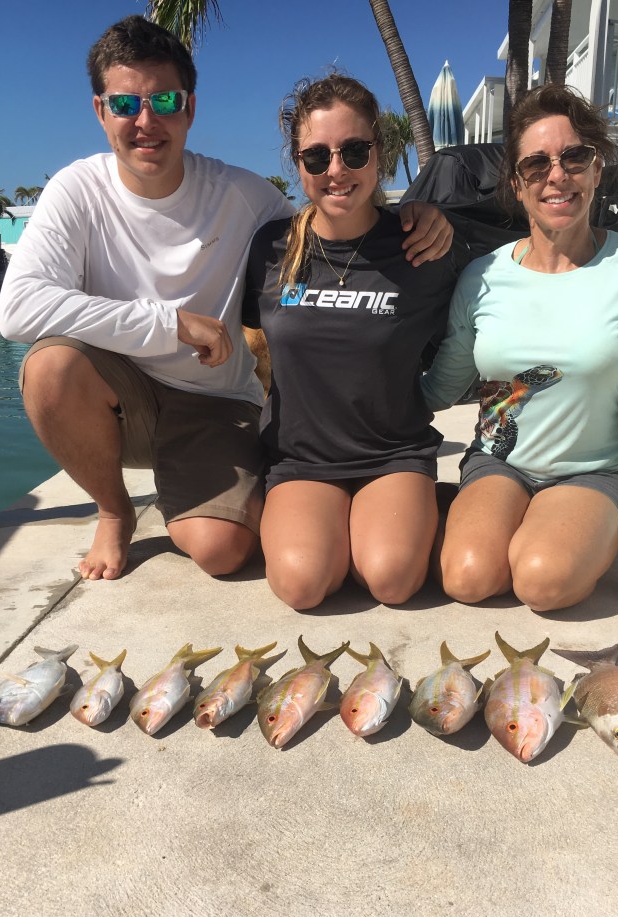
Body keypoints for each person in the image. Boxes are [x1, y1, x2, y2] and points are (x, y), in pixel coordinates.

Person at [0, 16, 451, 583]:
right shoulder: (76, 189)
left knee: (223, 551)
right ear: (100, 111)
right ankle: (114, 512)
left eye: (165, 100)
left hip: (212, 400)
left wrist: (414, 213)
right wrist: (170, 324)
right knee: (49, 368)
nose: (146, 121)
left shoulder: (246, 197)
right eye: (125, 104)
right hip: (119, 398)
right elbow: (18, 307)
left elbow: (333, 216)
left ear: (189, 108)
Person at [421, 83, 618, 611]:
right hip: (499, 462)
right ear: (517, 185)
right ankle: (485, 515)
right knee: (468, 578)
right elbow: (444, 383)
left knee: (543, 582)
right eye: (536, 164)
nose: (557, 175)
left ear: (596, 169)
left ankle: (586, 524)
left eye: (574, 157)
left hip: (593, 470)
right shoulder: (481, 275)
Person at [242, 74, 461, 610]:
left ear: (378, 154)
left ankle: (424, 506)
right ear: (298, 165)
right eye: (316, 157)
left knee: (391, 580)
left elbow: (478, 321)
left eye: (354, 151)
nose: (336, 170)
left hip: (392, 453)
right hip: (302, 458)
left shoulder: (422, 244)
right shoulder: (271, 248)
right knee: (302, 585)